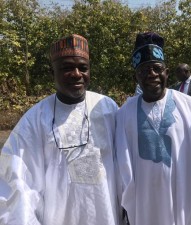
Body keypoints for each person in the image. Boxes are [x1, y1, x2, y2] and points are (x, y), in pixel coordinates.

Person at [0, 34, 120, 225]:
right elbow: (16, 182)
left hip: (106, 216)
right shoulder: (35, 119)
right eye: (66, 68)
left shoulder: (108, 108)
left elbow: (125, 166)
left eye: (83, 68)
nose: (76, 74)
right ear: (51, 73)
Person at [115, 31, 191, 225]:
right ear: (136, 77)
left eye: (157, 69)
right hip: (146, 205)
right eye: (144, 71)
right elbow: (122, 166)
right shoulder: (123, 114)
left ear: (166, 71)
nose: (152, 75)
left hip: (189, 202)